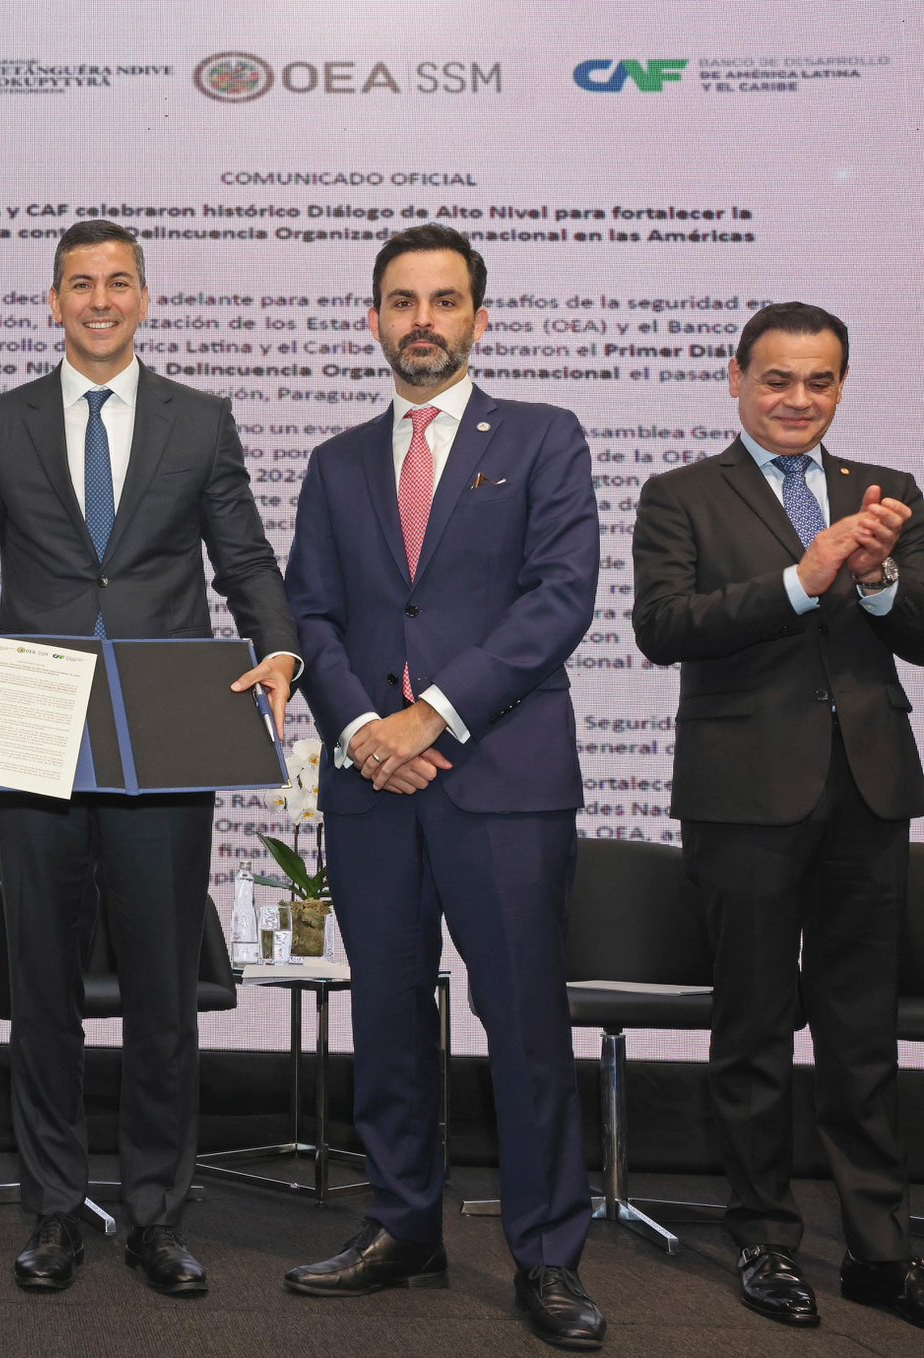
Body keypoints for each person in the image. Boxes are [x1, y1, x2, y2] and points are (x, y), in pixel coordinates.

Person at [0, 219, 299, 1296]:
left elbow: (243, 556)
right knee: (39, 983)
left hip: (165, 729)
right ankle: (49, 1210)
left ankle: (155, 1214)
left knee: (160, 990)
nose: (98, 299)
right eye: (78, 284)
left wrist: (276, 647)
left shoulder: (200, 419)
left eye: (117, 282)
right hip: (34, 718)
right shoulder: (0, 423)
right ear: (52, 301)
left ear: (142, 297)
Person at [280, 223, 605, 1349]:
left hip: (499, 777)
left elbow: (557, 600)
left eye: (443, 300)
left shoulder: (545, 438)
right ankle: (399, 1224)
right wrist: (368, 727)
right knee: (385, 1018)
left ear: (477, 316)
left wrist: (435, 712)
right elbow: (306, 616)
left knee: (521, 1025)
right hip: (373, 784)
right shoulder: (333, 462)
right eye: (400, 301)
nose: (421, 319)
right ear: (372, 319)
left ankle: (548, 1255)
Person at [632, 301, 924, 1330]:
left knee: (860, 1035)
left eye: (819, 381)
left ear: (839, 384)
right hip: (743, 796)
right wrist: (801, 581)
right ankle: (762, 1238)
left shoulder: (885, 493)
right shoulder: (677, 495)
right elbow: (663, 626)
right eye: (777, 380)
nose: (797, 400)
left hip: (867, 788)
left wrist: (879, 576)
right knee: (750, 1026)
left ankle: (880, 1249)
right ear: (734, 378)